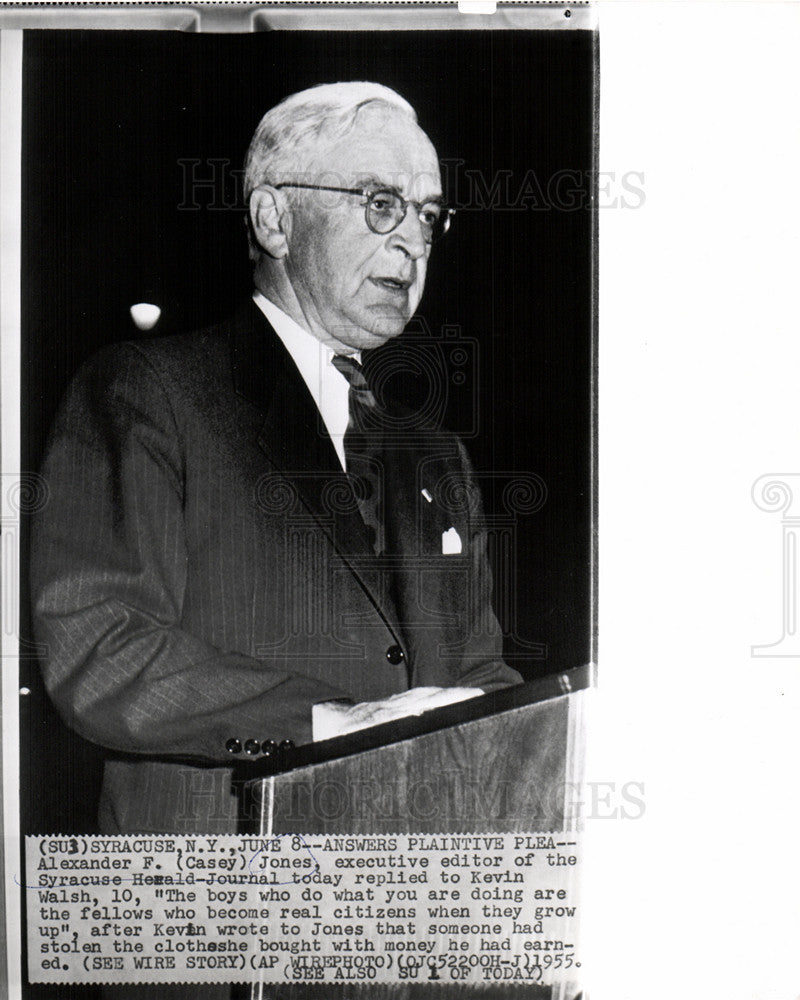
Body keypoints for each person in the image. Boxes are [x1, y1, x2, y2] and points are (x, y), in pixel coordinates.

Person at [30, 82, 522, 839]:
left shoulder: (437, 457)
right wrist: (331, 723)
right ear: (275, 218)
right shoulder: (149, 392)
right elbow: (98, 648)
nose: (414, 243)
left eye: (429, 215)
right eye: (380, 202)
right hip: (219, 913)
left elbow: (480, 679)